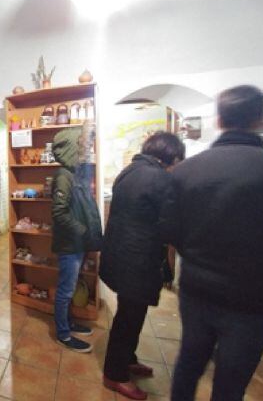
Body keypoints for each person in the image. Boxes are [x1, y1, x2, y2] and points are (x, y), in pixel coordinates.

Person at [160, 85, 263, 401]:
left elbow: (169, 229)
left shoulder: (187, 171)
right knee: (231, 382)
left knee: (188, 364)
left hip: (197, 288)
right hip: (254, 296)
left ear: (219, 120)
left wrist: (193, 254)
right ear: (260, 119)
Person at [101, 132, 185, 400]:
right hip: (137, 261)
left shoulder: (129, 171)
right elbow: (170, 223)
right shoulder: (159, 178)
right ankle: (115, 375)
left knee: (129, 314)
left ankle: (127, 359)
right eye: (177, 161)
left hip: (121, 257)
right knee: (128, 318)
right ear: (170, 157)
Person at [51, 127, 96, 353]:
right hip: (69, 244)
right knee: (65, 290)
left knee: (69, 287)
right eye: (80, 145)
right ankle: (63, 334)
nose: (84, 149)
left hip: (75, 242)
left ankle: (68, 322)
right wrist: (82, 230)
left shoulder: (72, 174)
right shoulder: (63, 176)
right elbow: (59, 212)